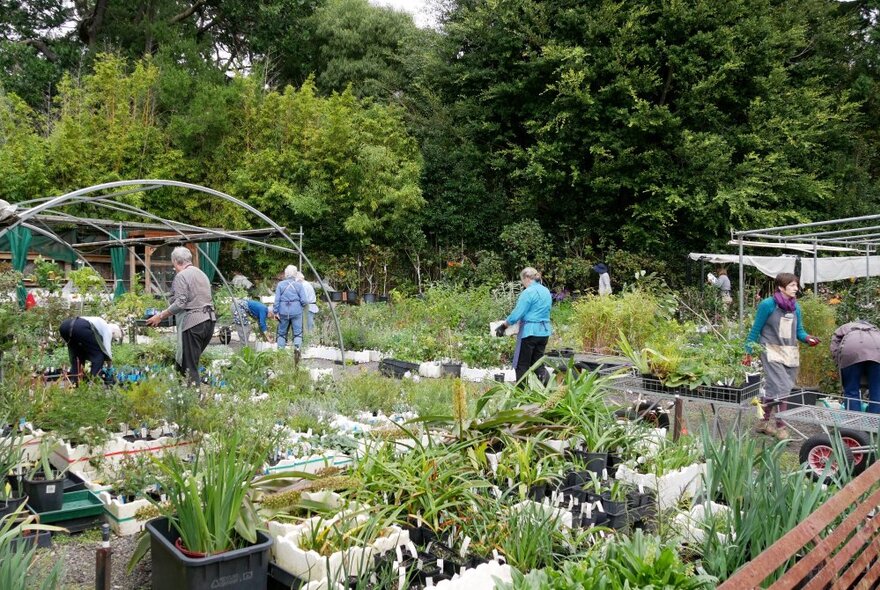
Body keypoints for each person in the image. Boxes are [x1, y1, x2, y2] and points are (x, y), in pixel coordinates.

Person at [745, 273, 820, 438]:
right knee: (781, 387)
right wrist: (748, 351)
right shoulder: (767, 305)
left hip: (790, 351)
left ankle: (762, 422)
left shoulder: (795, 307)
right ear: (781, 287)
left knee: (775, 388)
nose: (796, 288)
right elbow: (756, 329)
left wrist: (808, 338)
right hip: (770, 349)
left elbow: (799, 331)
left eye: (796, 285)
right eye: (792, 285)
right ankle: (781, 426)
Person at [146, 246, 216, 386]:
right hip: (209, 321)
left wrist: (160, 316)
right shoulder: (202, 274)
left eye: (174, 265)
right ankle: (179, 392)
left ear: (176, 262)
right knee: (188, 361)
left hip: (193, 323)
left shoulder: (182, 275)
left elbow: (180, 303)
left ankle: (193, 402)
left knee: (189, 365)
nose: (175, 268)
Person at [496, 267, 552, 384]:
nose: (522, 284)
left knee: (522, 365)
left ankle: (522, 395)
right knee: (537, 364)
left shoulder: (528, 292)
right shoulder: (546, 291)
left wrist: (504, 326)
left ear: (526, 278)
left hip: (530, 332)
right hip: (544, 332)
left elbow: (517, 313)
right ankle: (546, 391)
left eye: (522, 281)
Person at [830, 320, 880, 413]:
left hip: (851, 351)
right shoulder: (874, 329)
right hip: (878, 351)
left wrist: (840, 364)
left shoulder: (844, 327)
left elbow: (834, 347)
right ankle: (875, 424)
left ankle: (854, 424)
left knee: (851, 391)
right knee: (877, 390)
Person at [59, 316, 115, 385]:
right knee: (99, 355)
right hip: (80, 327)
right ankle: (92, 383)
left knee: (78, 356)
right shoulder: (108, 329)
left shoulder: (97, 322)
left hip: (65, 326)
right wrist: (109, 367)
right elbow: (107, 351)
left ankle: (75, 383)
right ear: (113, 333)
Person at [273, 265, 307, 361]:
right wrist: (299, 306)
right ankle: (297, 351)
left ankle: (281, 354)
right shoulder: (299, 285)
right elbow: (304, 300)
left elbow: (276, 301)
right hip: (296, 311)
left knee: (281, 333)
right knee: (298, 333)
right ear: (295, 274)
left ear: (285, 274)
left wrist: (276, 312)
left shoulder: (280, 285)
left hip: (283, 312)